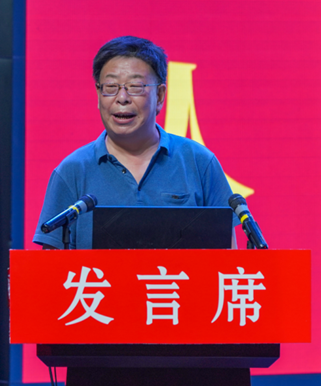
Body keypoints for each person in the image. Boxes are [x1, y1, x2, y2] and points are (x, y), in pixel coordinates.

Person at [33, 35, 238, 249]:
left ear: (160, 96)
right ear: (98, 94)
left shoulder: (199, 163)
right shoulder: (73, 171)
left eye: (135, 86)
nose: (122, 98)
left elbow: (230, 256)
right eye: (110, 86)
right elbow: (50, 264)